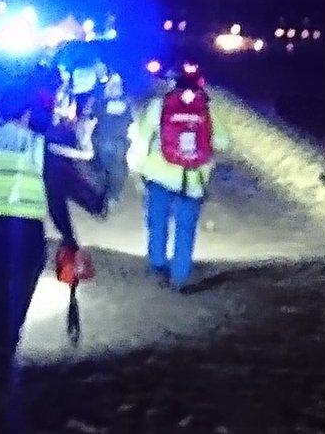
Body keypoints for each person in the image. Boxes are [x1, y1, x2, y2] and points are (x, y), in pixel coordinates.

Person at [0, 84, 98, 377]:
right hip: (26, 234)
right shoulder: (39, 147)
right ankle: (6, 352)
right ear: (28, 114)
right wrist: (69, 239)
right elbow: (56, 199)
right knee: (17, 296)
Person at [130, 63, 228, 290]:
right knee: (185, 229)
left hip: (158, 174)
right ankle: (180, 276)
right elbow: (223, 141)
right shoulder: (207, 109)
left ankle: (157, 267)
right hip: (193, 180)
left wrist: (138, 163)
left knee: (157, 222)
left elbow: (142, 137)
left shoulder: (159, 105)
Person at [90, 73, 134, 212]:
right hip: (119, 141)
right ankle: (113, 196)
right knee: (117, 169)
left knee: (103, 169)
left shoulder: (102, 101)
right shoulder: (126, 102)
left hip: (104, 140)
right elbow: (130, 120)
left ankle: (104, 196)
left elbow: (92, 115)